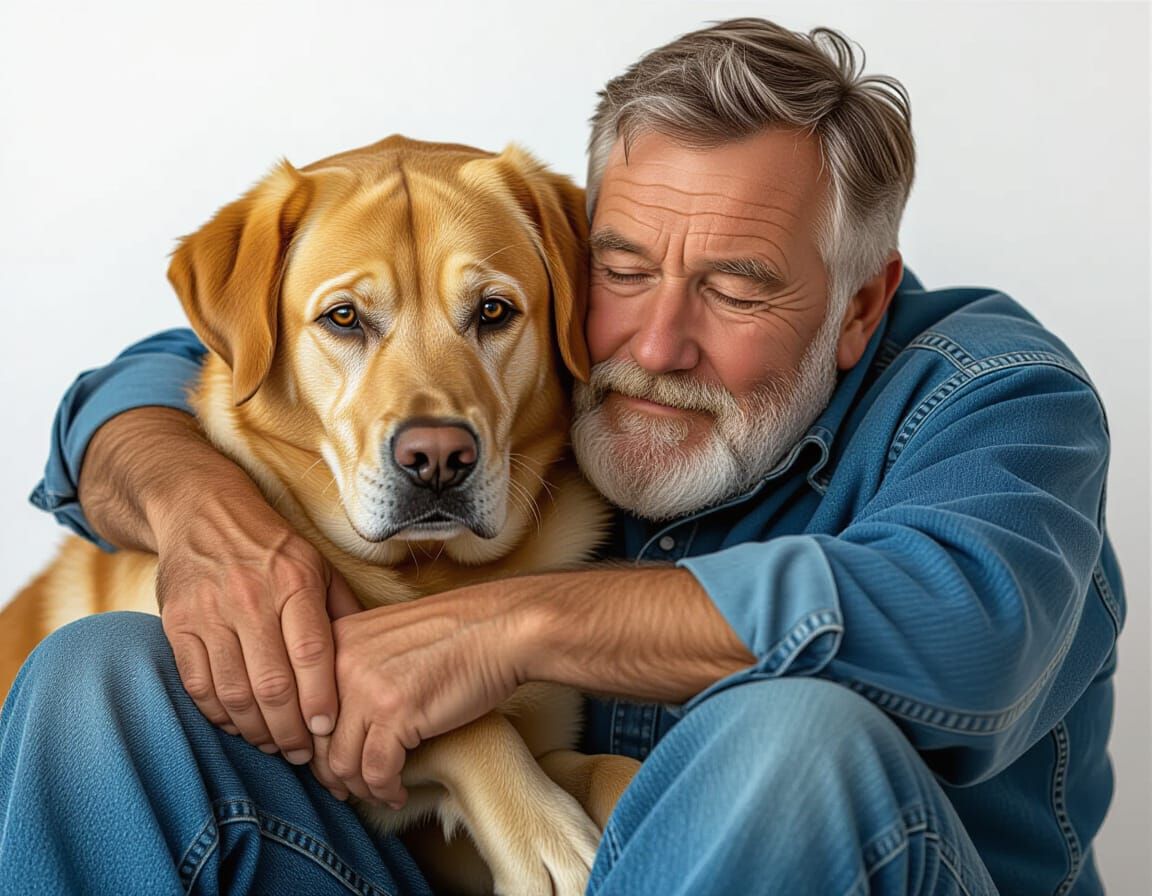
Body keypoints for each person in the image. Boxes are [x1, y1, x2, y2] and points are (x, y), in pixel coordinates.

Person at [0, 17, 1123, 896]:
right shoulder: (542, 347)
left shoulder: (999, 396)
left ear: (860, 302)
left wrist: (508, 626)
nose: (654, 342)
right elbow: (176, 368)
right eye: (623, 269)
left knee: (793, 738)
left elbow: (969, 622)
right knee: (99, 673)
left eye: (736, 286)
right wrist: (201, 504)